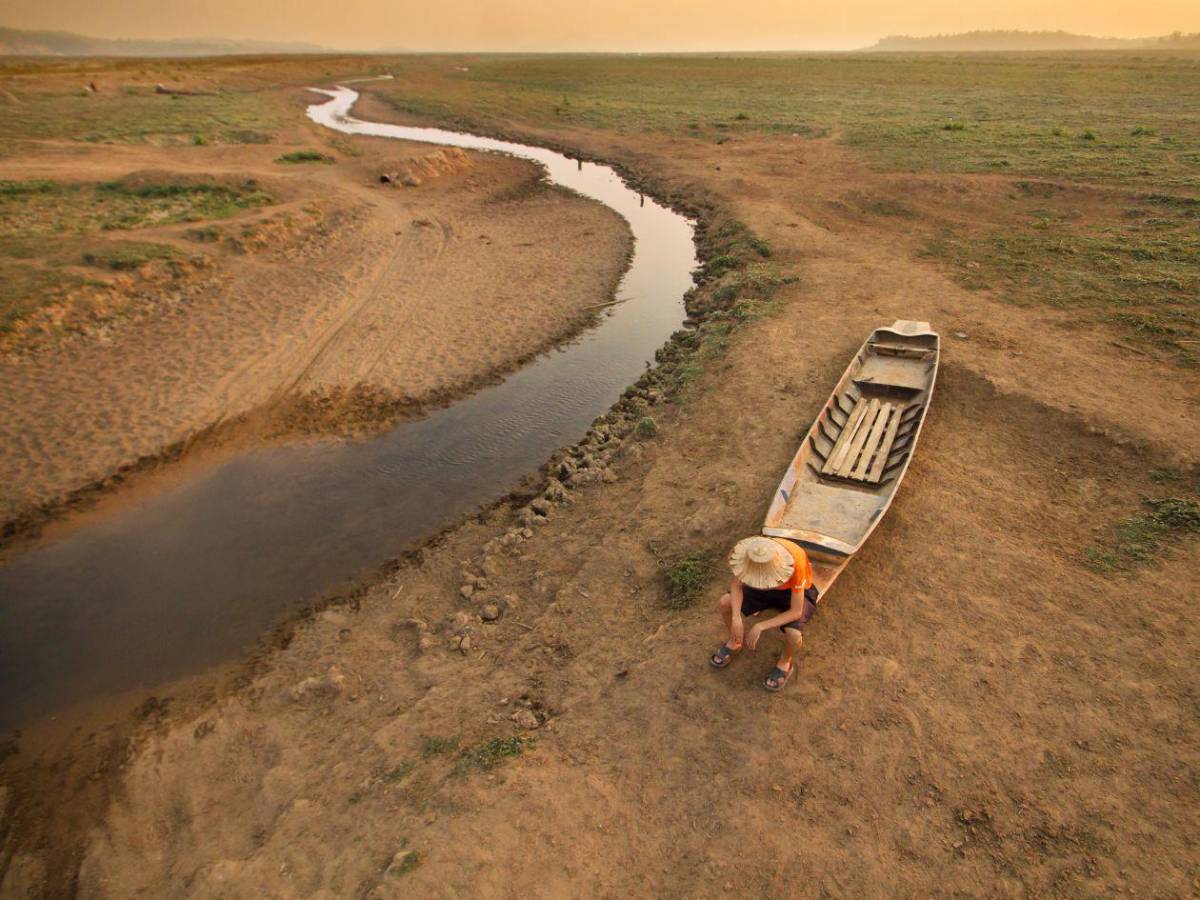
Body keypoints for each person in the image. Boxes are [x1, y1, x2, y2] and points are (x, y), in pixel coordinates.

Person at [709, 535, 818, 692]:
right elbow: (736, 585)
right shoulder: (752, 554)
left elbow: (795, 611)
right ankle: (735, 641)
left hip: (791, 592)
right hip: (760, 588)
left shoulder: (795, 562)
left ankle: (785, 662)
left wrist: (761, 626)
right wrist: (736, 618)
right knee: (725, 602)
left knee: (794, 634)